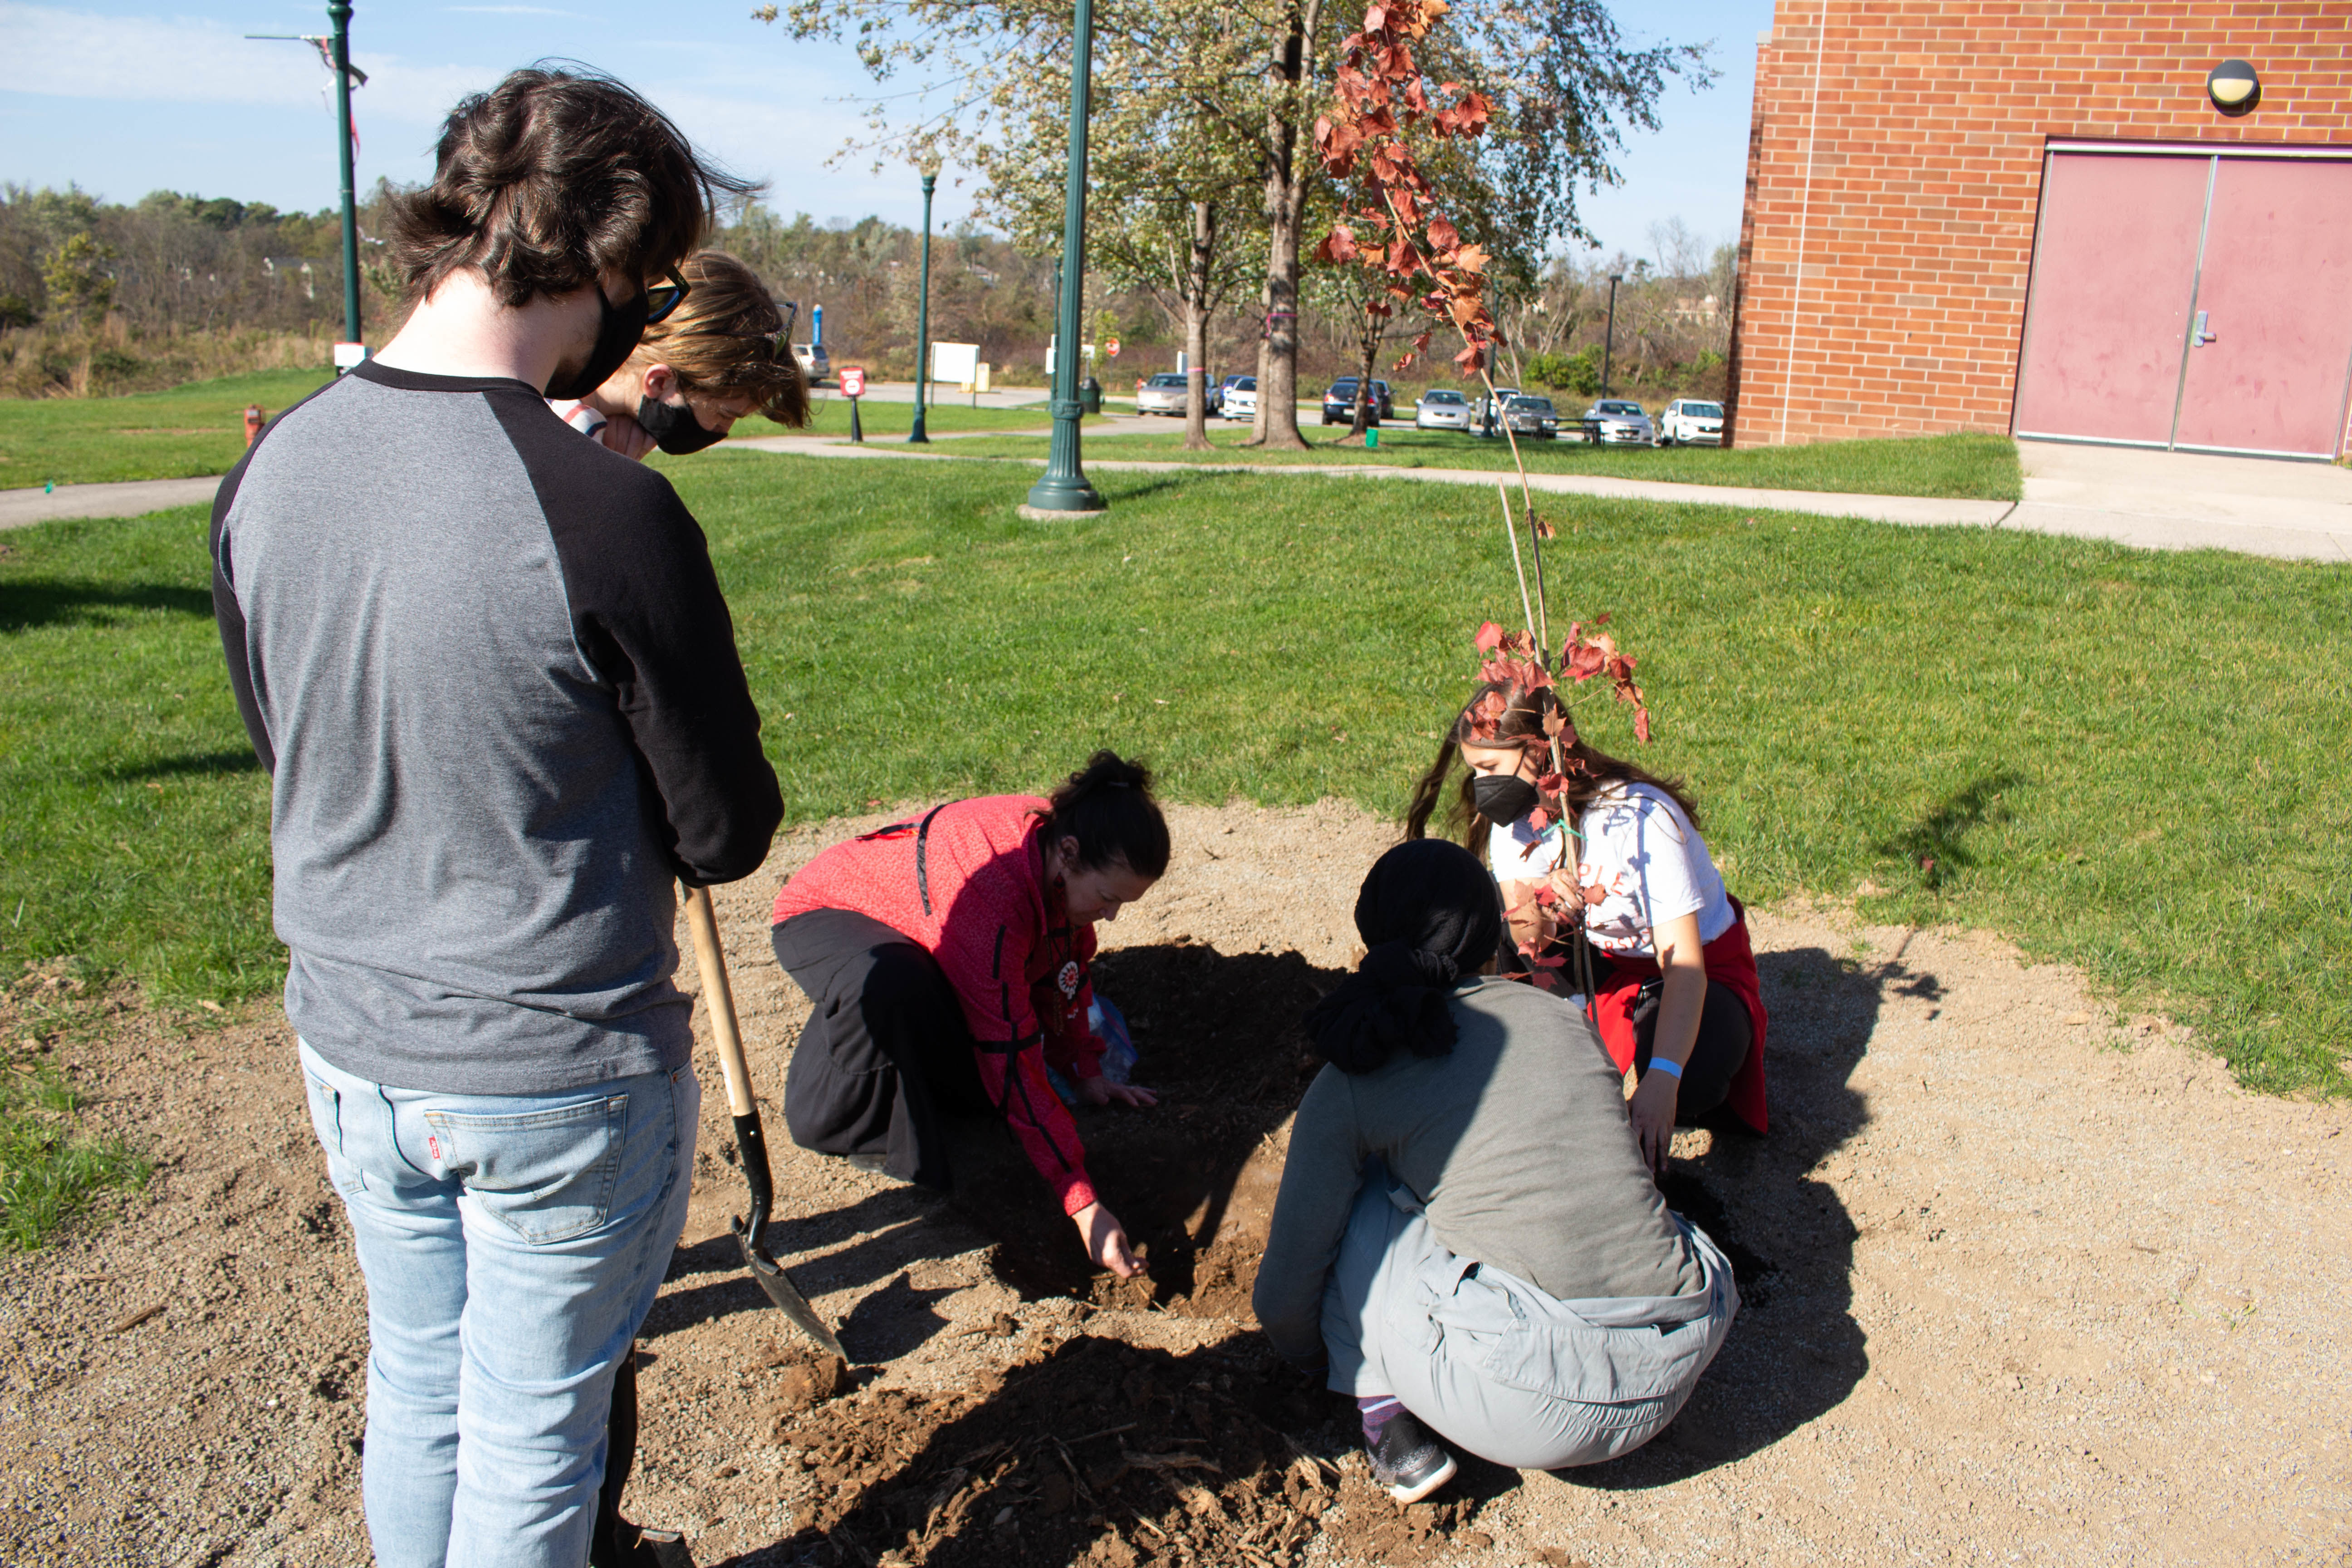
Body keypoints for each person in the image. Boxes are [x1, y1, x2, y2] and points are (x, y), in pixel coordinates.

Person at [209, 67, 782, 1568]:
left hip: (347, 1040)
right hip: (551, 1072)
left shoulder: (269, 468)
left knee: (422, 1384)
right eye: (650, 278)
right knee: (532, 1444)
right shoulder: (607, 514)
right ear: (606, 260)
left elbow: (289, 743)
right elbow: (721, 830)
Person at [1253, 840, 1740, 1500]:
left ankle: (1384, 1416)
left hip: (1544, 1408)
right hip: (1686, 1343)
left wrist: (1324, 1357)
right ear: (1489, 934)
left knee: (1366, 1196)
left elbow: (1283, 1299)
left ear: (1373, 933)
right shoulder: (1561, 1018)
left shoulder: (1357, 1073)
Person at [769, 752, 1169, 1279]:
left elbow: (1066, 970)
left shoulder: (1065, 851)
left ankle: (907, 1055)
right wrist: (1082, 1202)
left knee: (981, 1079)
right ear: (1069, 855)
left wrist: (1085, 1072)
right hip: (836, 914)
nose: (1112, 915)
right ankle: (846, 1117)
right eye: (1107, 899)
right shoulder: (994, 905)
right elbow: (1010, 1057)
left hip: (931, 935)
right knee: (895, 986)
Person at [1405, 678, 1769, 1171]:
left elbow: (1684, 965)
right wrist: (1546, 903)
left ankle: (1671, 1059)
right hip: (1604, 959)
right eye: (1474, 771)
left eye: (1489, 768)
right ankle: (1556, 1057)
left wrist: (1662, 1080)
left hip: (1698, 968)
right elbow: (1528, 942)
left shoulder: (1639, 819)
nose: (1482, 787)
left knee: (1691, 1077)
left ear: (1539, 750)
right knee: (1495, 911)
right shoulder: (1514, 827)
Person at [549, 248, 807, 457]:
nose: (723, 431)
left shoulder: (549, 393)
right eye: (724, 415)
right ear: (659, 382)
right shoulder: (572, 447)